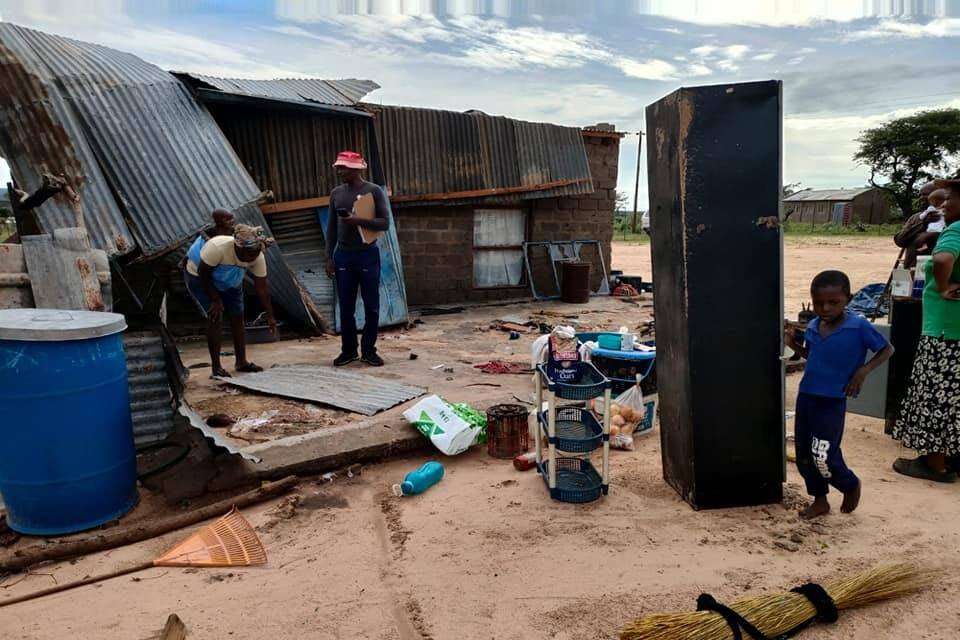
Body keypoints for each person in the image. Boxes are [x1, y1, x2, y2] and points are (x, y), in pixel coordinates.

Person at [785, 270, 893, 519]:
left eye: (833, 302)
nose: (825, 308)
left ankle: (849, 484)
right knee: (803, 453)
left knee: (823, 452)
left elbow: (887, 349)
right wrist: (793, 346)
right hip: (807, 396)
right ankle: (820, 499)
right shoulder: (813, 326)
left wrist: (862, 372)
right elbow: (814, 357)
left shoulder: (858, 326)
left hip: (832, 400)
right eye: (819, 302)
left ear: (848, 298)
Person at [892, 178, 960, 482]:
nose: (944, 204)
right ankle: (951, 458)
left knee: (936, 397)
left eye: (951, 198)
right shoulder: (924, 220)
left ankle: (935, 465)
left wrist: (943, 287)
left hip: (945, 330)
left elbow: (943, 259)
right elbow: (901, 238)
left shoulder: (956, 230)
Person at [184, 223, 277, 378]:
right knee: (215, 317)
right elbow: (203, 274)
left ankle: (241, 362)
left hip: (230, 279)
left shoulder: (257, 256)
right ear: (238, 247)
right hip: (200, 277)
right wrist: (215, 300)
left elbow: (261, 288)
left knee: (238, 316)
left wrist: (270, 315)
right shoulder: (218, 247)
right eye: (247, 255)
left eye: (254, 255)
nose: (250, 259)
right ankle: (216, 367)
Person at [325, 151, 390, 367]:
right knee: (346, 306)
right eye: (338, 167)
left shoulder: (373, 191)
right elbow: (332, 228)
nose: (339, 171)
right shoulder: (336, 193)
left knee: (372, 305)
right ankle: (349, 351)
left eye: (342, 168)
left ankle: (369, 351)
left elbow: (384, 223)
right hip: (343, 255)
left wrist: (357, 220)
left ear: (355, 169)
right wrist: (329, 258)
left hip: (367, 254)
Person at [897, 182, 945, 268]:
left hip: (936, 270)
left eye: (926, 194)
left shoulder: (949, 217)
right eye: (920, 195)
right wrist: (922, 225)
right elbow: (900, 240)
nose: (921, 198)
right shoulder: (915, 217)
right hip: (912, 268)